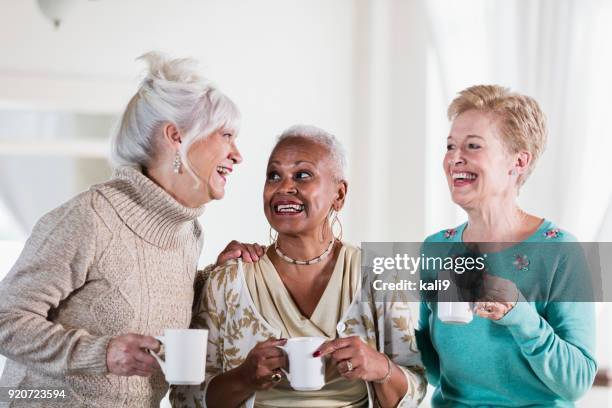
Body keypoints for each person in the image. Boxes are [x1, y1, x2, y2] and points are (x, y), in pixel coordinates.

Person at [0, 52, 242, 407]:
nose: (238, 154)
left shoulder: (189, 232)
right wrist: (103, 353)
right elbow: (6, 319)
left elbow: (149, 299)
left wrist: (213, 279)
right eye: (226, 135)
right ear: (176, 136)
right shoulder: (89, 218)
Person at [171, 125, 426, 408]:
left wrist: (381, 368)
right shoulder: (229, 280)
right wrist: (243, 378)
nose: (283, 188)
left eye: (302, 175)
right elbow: (184, 397)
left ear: (339, 195)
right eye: (274, 176)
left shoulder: (377, 274)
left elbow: (415, 387)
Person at [416, 85, 597, 407]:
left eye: (473, 146)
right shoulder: (436, 249)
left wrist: (520, 315)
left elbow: (577, 383)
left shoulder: (560, 251)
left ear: (518, 161)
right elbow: (438, 372)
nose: (455, 158)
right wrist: (391, 331)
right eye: (450, 146)